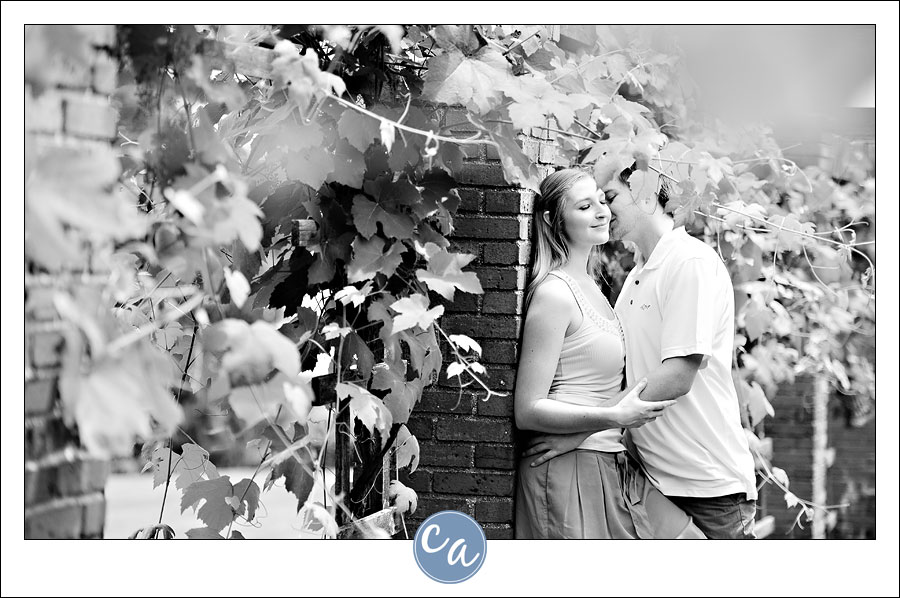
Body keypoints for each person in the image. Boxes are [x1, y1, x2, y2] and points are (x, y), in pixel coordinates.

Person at [525, 164, 758, 539]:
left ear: (646, 191)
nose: (604, 209)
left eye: (611, 197)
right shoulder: (636, 275)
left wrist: (581, 430)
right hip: (649, 480)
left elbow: (678, 375)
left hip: (706, 485)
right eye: (595, 201)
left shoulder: (689, 262)